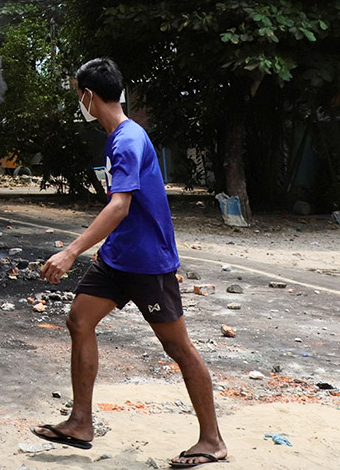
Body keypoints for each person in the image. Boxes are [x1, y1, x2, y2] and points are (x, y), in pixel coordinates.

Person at [31, 58, 227, 468]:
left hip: (148, 262)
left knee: (178, 347)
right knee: (79, 320)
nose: (78, 101)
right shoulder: (118, 136)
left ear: (87, 95)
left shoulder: (127, 141)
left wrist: (70, 252)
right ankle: (81, 423)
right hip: (118, 257)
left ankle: (212, 441)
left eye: (76, 94)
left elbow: (119, 206)